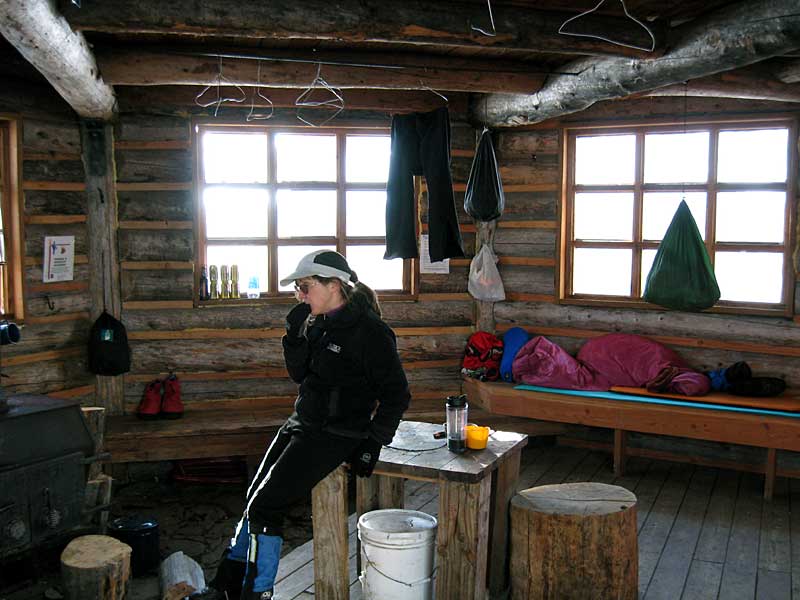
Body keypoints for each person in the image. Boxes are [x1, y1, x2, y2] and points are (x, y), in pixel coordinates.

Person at [205, 250, 411, 600]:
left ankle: (256, 593)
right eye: (297, 289)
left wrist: (373, 442)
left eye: (305, 287)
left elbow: (397, 395)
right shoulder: (319, 322)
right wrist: (294, 336)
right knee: (255, 498)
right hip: (303, 422)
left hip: (336, 433)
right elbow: (300, 375)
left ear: (335, 286)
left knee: (267, 506)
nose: (300, 295)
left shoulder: (371, 333)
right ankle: (225, 587)